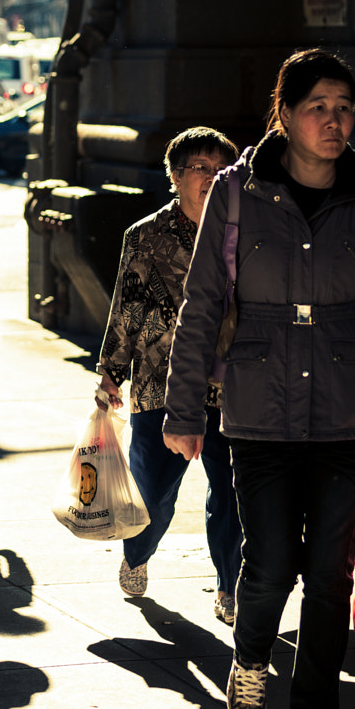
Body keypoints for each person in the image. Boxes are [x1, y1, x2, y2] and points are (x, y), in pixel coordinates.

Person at [163, 48, 355, 709]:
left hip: (347, 411)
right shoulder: (237, 192)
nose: (334, 122)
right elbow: (202, 305)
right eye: (318, 107)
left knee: (330, 570)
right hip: (259, 404)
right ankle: (250, 656)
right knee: (272, 558)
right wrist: (184, 406)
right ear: (283, 113)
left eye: (345, 107)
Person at [97, 127, 243, 623]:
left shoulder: (244, 234)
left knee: (232, 494)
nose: (211, 177)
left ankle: (229, 588)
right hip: (162, 381)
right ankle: (136, 556)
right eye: (200, 167)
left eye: (220, 167)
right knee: (154, 493)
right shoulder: (144, 236)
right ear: (176, 177)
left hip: (231, 387)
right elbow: (126, 309)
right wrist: (111, 373)